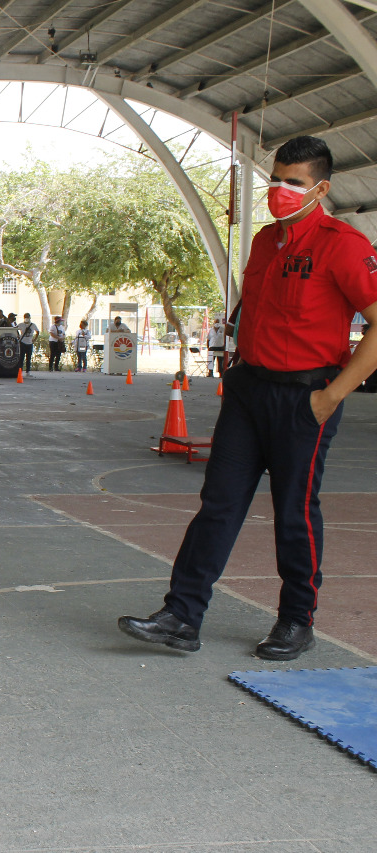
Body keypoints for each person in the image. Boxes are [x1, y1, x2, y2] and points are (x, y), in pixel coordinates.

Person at [119, 135, 377, 661]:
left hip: (305, 397)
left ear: (321, 188)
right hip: (248, 391)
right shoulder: (265, 242)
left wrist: (330, 399)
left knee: (294, 513)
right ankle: (181, 616)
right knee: (218, 505)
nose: (280, 190)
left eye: (294, 183)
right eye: (276, 179)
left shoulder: (343, 244)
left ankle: (295, 620)